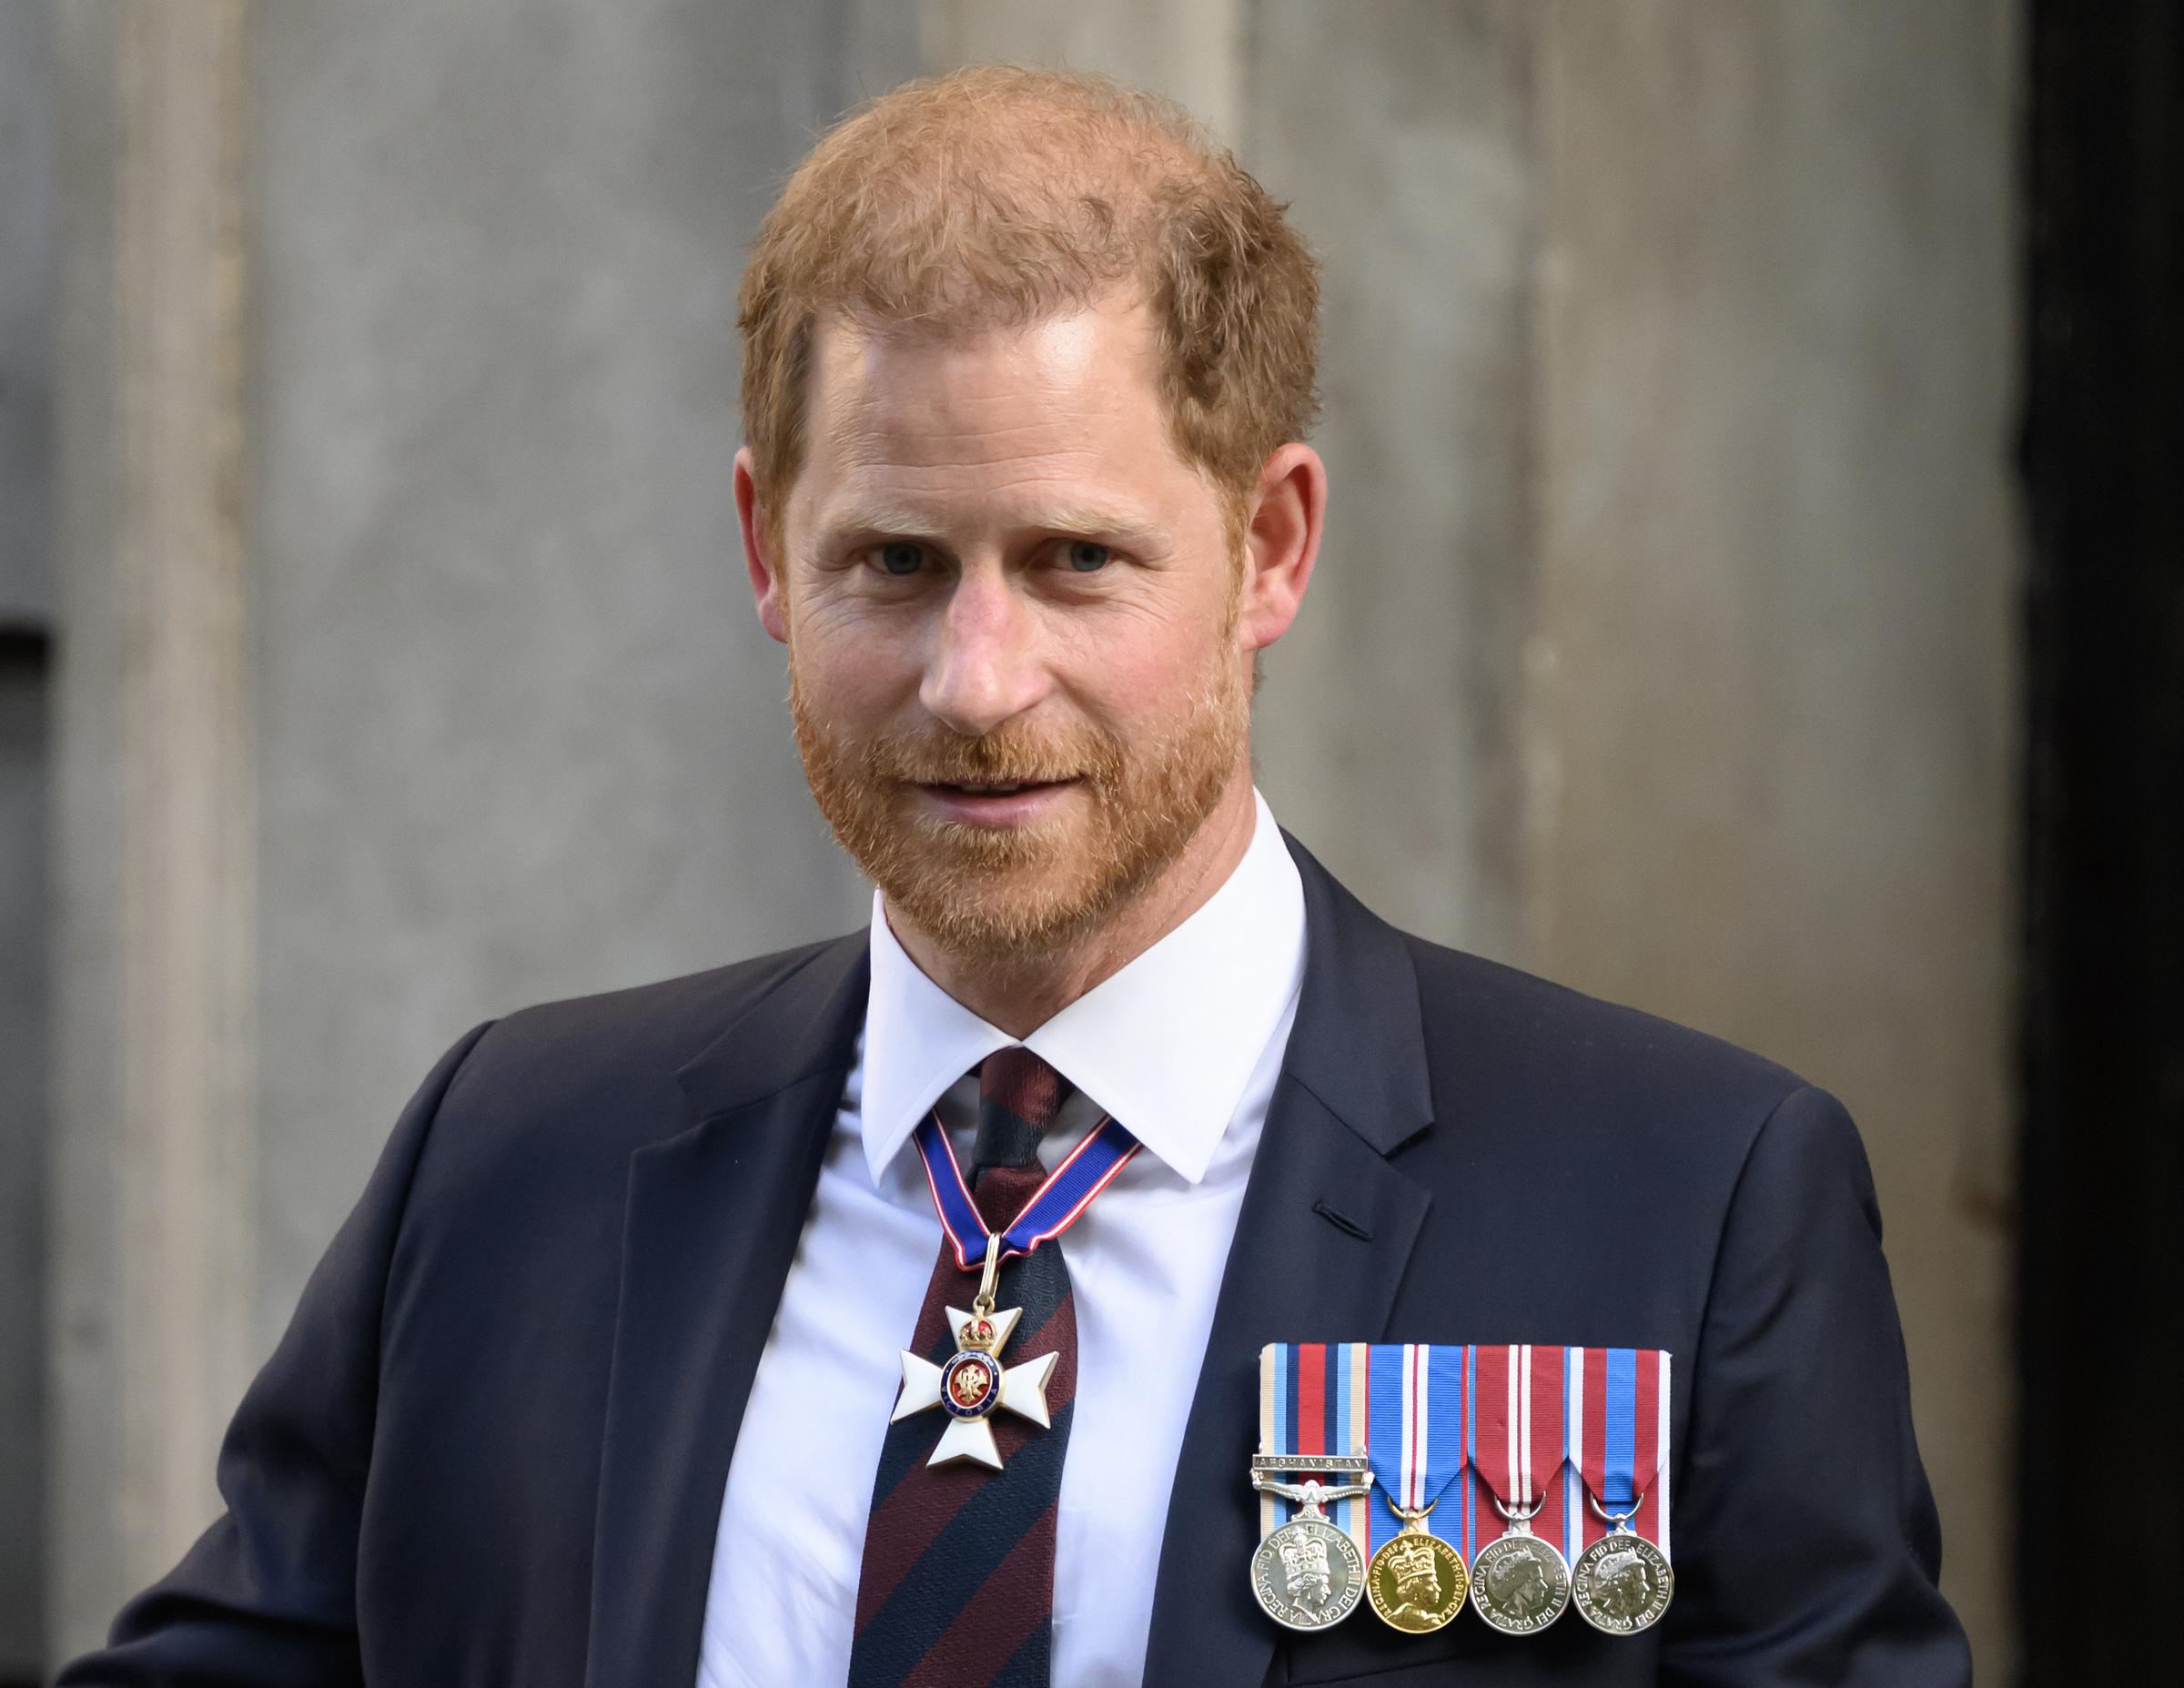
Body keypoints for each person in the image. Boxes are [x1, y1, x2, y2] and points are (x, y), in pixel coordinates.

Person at [59, 64, 1971, 1688]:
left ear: (1271, 548)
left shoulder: (1680, 1204)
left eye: (1075, 560)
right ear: (762, 544)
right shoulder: (510, 1167)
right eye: (893, 561)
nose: (979, 685)